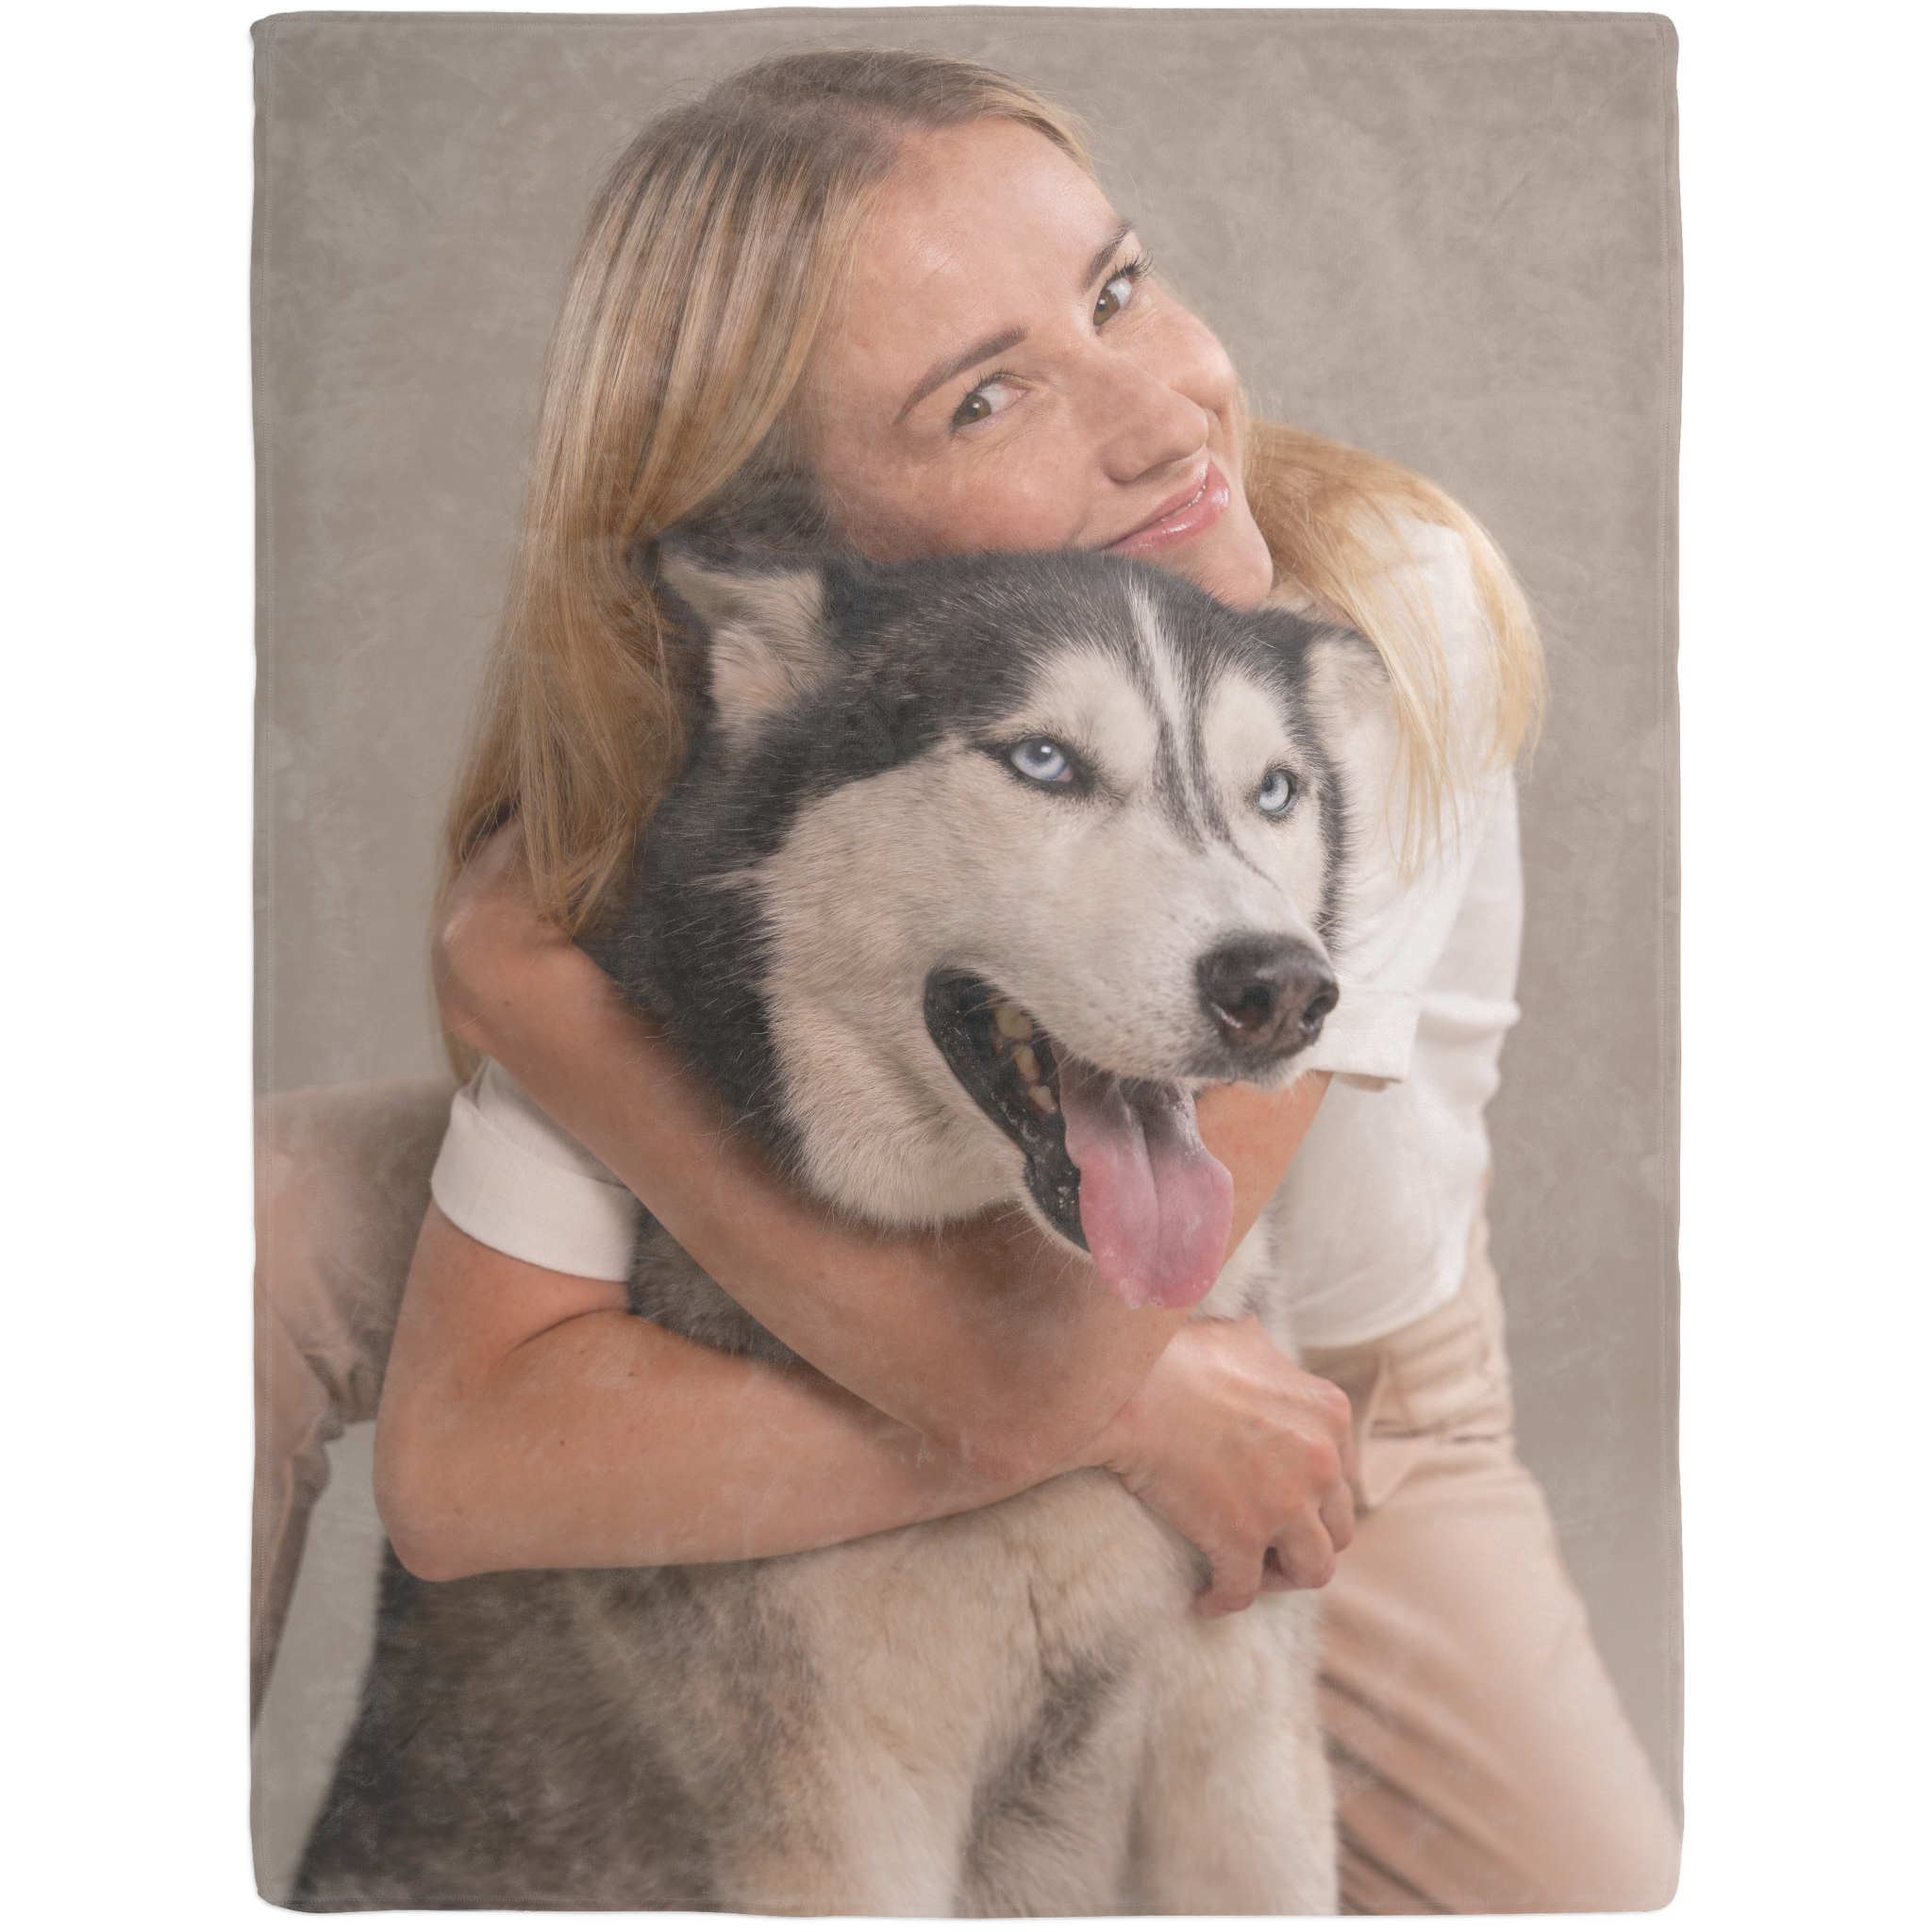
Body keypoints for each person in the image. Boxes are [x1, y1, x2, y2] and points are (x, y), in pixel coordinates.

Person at [257, 48, 1679, 1915]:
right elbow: (460, 1470)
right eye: (987, 395)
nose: (1160, 417)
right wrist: (1135, 1406)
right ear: (813, 543)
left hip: (1334, 1406)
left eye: (1118, 289)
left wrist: (549, 1012)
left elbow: (1054, 1365)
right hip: (802, 1244)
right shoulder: (761, 722)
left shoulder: (1355, 644)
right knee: (275, 1214)